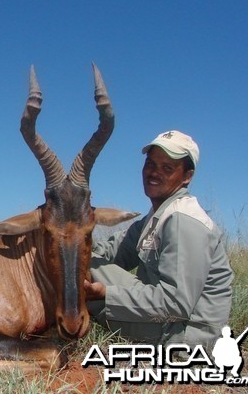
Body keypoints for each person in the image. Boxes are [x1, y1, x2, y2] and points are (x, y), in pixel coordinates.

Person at [84, 130, 234, 348]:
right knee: (82, 257)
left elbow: (176, 304)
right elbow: (109, 252)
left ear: (187, 176)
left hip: (186, 336)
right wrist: (77, 228)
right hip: (168, 324)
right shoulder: (156, 217)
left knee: (87, 269)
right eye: (151, 164)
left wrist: (106, 294)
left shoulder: (183, 220)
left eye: (167, 168)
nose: (154, 173)